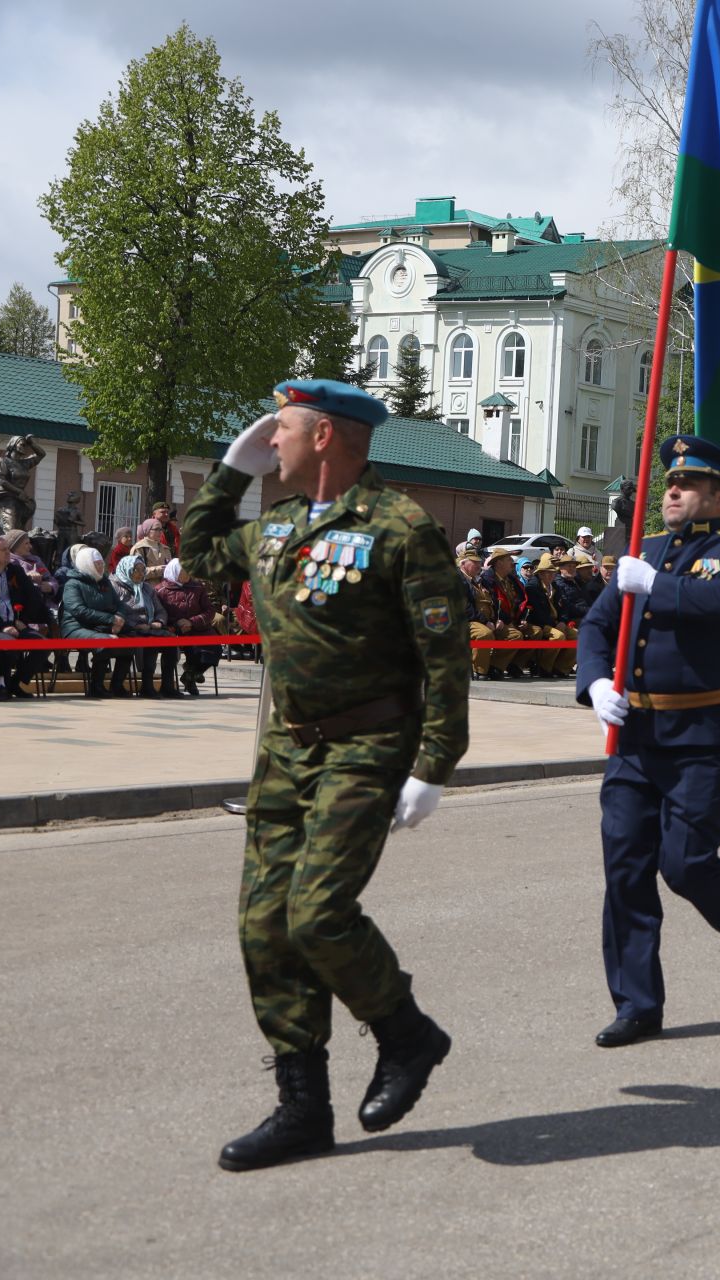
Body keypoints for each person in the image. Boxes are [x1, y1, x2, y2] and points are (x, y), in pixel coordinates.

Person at [182, 378, 467, 1172]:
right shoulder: (275, 527)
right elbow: (199, 559)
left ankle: (407, 1034)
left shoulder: (402, 528)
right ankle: (303, 1109)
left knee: (317, 915)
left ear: (325, 437)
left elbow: (446, 661)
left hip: (367, 747)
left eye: (279, 430)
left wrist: (434, 765)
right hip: (286, 751)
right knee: (264, 928)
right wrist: (228, 475)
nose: (269, 440)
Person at [576, 434, 720, 1050]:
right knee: (626, 869)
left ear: (719, 497)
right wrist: (594, 682)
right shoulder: (648, 550)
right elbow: (597, 625)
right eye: (668, 483)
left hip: (702, 735)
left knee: (685, 862)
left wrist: (653, 586)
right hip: (635, 734)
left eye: (686, 485)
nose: (671, 492)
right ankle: (637, 1003)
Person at [0, 529, 54, 699]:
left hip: (15, 623)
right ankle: (1, 686)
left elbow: (32, 597)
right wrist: (3, 627)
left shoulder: (15, 570)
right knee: (4, 643)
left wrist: (23, 620)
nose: (9, 553)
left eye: (9, 549)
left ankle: (15, 683)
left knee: (43, 645)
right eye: (4, 550)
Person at [59, 546, 127, 697]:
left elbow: (120, 604)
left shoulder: (105, 582)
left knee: (129, 643)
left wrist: (119, 619)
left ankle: (117, 686)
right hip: (76, 628)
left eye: (102, 563)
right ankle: (96, 687)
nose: (101, 566)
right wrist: (111, 619)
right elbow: (78, 610)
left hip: (101, 627)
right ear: (86, 563)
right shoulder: (73, 584)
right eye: (97, 563)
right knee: (105, 643)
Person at [111, 553, 179, 697]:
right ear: (128, 570)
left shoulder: (146, 588)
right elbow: (115, 612)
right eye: (137, 570)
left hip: (150, 627)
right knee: (150, 643)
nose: (141, 574)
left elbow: (160, 610)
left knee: (171, 642)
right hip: (127, 628)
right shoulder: (115, 587)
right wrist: (135, 625)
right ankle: (145, 686)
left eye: (143, 570)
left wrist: (159, 622)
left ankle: (167, 685)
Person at [154, 559, 222, 696]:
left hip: (197, 628)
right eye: (184, 571)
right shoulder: (160, 590)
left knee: (213, 649)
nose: (188, 574)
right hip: (175, 630)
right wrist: (176, 624)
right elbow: (159, 612)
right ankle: (188, 678)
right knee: (179, 649)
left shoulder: (197, 587)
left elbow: (209, 610)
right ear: (175, 572)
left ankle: (189, 675)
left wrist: (192, 622)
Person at [480, 546, 531, 678]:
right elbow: (492, 605)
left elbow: (521, 601)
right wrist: (505, 621)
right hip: (498, 620)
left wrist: (521, 619)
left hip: (513, 619)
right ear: (498, 563)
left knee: (535, 632)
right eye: (508, 559)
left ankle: (513, 664)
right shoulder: (488, 579)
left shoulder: (512, 579)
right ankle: (495, 666)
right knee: (515, 635)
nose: (512, 562)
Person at [525, 552, 578, 679]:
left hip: (555, 622)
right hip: (540, 623)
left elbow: (564, 607)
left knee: (577, 635)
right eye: (547, 572)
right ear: (541, 573)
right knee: (558, 636)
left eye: (553, 572)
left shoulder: (554, 586)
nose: (551, 575)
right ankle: (544, 667)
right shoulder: (533, 587)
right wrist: (556, 624)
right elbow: (537, 613)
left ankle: (561, 668)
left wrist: (562, 621)